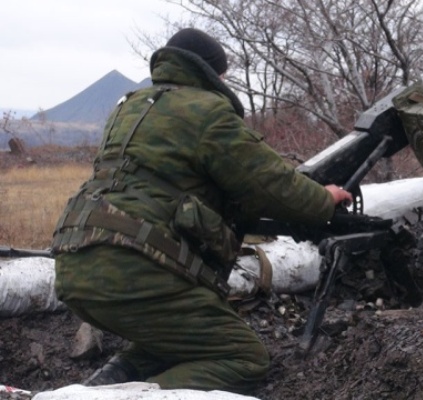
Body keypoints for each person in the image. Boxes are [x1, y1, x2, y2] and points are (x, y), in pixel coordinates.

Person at [51, 27, 352, 393]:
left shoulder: (129, 106)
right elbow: (270, 184)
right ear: (213, 73)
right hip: (133, 271)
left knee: (172, 344)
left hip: (74, 264)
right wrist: (324, 199)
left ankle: (105, 385)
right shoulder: (208, 112)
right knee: (243, 358)